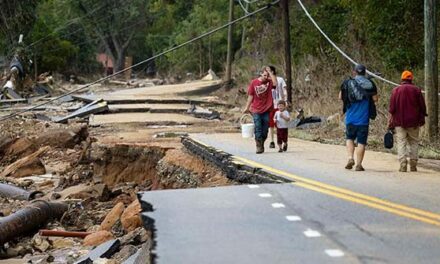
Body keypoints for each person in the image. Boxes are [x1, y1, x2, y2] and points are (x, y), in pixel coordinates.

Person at [339, 64, 378, 171]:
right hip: (363, 120)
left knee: (349, 138)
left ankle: (350, 158)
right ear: (365, 72)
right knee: (361, 142)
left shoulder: (347, 83)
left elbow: (340, 97)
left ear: (354, 72)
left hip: (350, 118)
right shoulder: (370, 84)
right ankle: (359, 165)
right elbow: (375, 99)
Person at [388, 70, 427, 172]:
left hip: (399, 122)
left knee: (401, 142)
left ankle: (403, 164)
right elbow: (422, 107)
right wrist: (423, 117)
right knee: (414, 142)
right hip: (414, 122)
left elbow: (391, 109)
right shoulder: (417, 90)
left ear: (402, 79)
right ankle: (413, 165)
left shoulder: (396, 90)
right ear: (411, 79)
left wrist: (390, 121)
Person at [243, 66, 277, 154]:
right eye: (265, 75)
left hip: (266, 109)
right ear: (261, 73)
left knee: (265, 128)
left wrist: (270, 73)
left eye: (267, 75)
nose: (266, 77)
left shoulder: (269, 82)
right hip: (256, 109)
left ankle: (262, 141)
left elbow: (275, 83)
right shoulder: (254, 83)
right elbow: (250, 96)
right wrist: (247, 107)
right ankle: (258, 145)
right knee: (258, 127)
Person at [268, 66, 288, 149]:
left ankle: (283, 140)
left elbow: (284, 90)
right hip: (270, 105)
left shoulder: (280, 79)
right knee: (271, 124)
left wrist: (285, 100)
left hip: (279, 104)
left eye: (268, 70)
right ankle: (272, 141)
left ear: (272, 71)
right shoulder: (267, 81)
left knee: (280, 123)